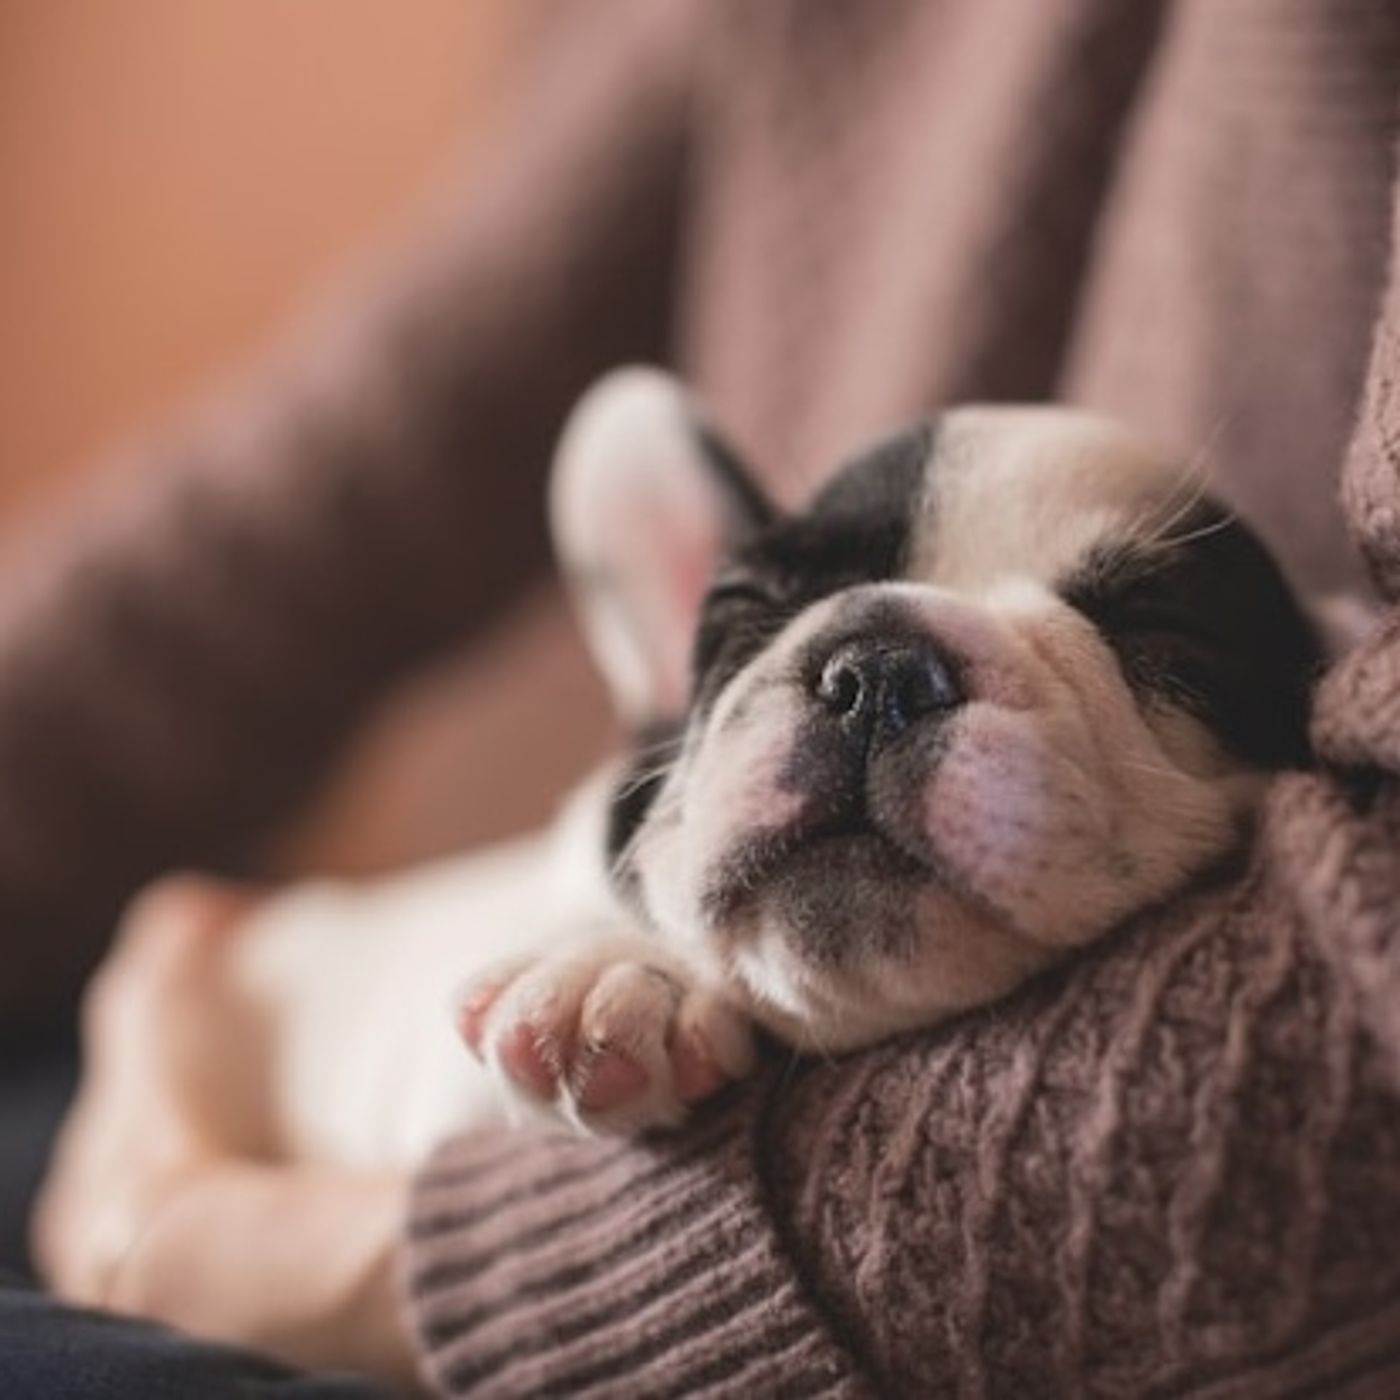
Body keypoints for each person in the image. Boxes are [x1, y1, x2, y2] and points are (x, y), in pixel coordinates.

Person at [4, 2, 1400, 1394]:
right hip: (252, 1063)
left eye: (1136, 636)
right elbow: (309, 503)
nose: (878, 694)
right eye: (770, 620)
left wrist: (223, 1245)